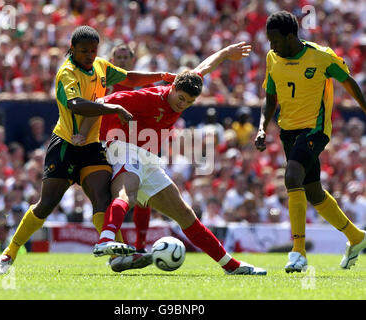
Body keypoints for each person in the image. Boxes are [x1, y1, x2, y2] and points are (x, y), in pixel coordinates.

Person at [0, 25, 175, 275]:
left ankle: (116, 256)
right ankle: (9, 253)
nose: (89, 55)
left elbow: (129, 78)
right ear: (72, 49)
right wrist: (112, 109)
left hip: (91, 146)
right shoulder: (66, 73)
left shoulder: (100, 66)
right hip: (65, 146)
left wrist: (162, 75)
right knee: (46, 204)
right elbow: (77, 105)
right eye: (84, 51)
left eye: (93, 50)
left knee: (103, 198)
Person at [74, 42, 266, 275]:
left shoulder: (186, 83)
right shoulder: (148, 97)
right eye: (181, 98)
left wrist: (225, 53)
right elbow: (99, 104)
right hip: (122, 147)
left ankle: (231, 266)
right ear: (173, 87)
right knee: (128, 194)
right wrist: (82, 134)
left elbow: (203, 67)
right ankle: (105, 240)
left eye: (189, 102)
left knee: (185, 214)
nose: (182, 104)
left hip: (149, 159)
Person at [254, 11, 366, 273]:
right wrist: (261, 128)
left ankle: (298, 252)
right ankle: (357, 237)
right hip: (288, 132)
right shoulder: (273, 58)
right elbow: (270, 98)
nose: (272, 47)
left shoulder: (321, 56)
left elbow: (349, 82)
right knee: (314, 193)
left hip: (315, 130)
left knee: (292, 176)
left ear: (291, 36)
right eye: (270, 41)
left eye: (276, 41)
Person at [107, 43, 153, 253]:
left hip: (135, 146)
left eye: (126, 57)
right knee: (113, 198)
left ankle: (140, 247)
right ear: (112, 61)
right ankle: (116, 243)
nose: (123, 60)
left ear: (133, 61)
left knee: (143, 198)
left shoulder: (142, 89)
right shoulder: (103, 87)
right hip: (108, 147)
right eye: (119, 57)